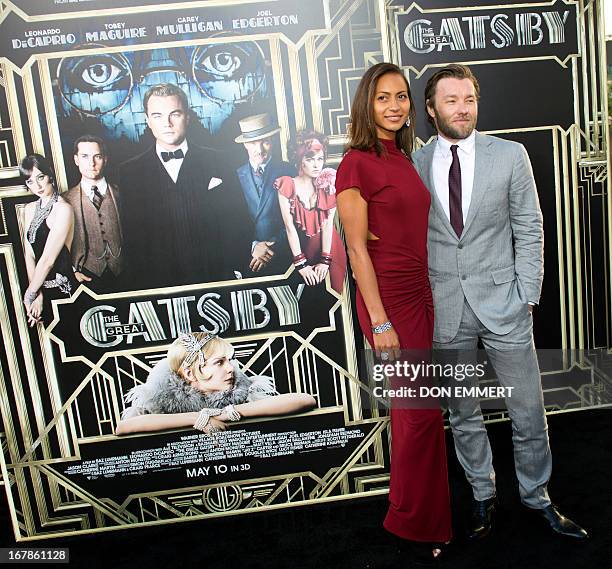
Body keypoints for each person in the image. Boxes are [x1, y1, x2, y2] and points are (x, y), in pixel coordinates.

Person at [412, 64, 588, 541]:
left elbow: (530, 226)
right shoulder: (413, 164)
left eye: (468, 98)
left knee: (528, 410)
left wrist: (527, 294)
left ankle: (537, 497)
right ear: (431, 110)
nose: (462, 108)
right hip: (446, 306)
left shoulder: (510, 156)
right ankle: (483, 497)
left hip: (504, 303)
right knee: (463, 413)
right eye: (451, 100)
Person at [335, 63, 451, 563]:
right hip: (388, 302)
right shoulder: (355, 163)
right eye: (383, 98)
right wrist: (380, 322)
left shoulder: (404, 159)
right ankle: (420, 524)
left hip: (419, 293)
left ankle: (409, 513)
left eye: (401, 97)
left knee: (415, 414)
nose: (395, 105)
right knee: (420, 413)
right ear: (368, 104)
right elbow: (357, 249)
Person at [119, 83, 252, 290]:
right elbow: (134, 238)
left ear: (187, 117)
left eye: (175, 114)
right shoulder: (130, 173)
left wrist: (234, 269)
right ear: (148, 121)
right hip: (160, 283)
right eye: (158, 116)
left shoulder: (219, 160)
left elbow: (237, 220)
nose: (167, 123)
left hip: (216, 276)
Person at [115, 332, 316, 435]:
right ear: (189, 373)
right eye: (219, 362)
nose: (231, 368)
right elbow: (124, 428)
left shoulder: (241, 390)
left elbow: (305, 400)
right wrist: (198, 418)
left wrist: (226, 412)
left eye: (229, 360)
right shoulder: (160, 401)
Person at [275, 131, 347, 294]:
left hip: (330, 249)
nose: (316, 165)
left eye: (320, 159)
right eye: (310, 159)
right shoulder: (286, 185)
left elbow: (328, 225)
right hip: (302, 250)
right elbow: (289, 228)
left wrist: (325, 260)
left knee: (336, 298)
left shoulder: (328, 185)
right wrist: (300, 264)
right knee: (312, 301)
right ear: (299, 160)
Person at [20, 154, 78, 326]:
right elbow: (29, 254)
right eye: (30, 181)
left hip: (62, 291)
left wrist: (29, 295)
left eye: (40, 177)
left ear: (49, 175)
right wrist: (37, 294)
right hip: (39, 291)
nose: (37, 186)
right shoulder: (28, 209)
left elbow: (48, 260)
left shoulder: (63, 209)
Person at [235, 113, 295, 275]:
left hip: (285, 258)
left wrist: (271, 246)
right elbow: (231, 224)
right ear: (245, 144)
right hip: (249, 261)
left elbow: (300, 218)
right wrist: (254, 246)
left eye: (265, 142)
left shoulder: (289, 171)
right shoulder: (234, 177)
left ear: (273, 141)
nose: (259, 150)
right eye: (253, 143)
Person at [64, 135, 123, 293]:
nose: (91, 163)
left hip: (126, 274)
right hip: (87, 278)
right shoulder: (65, 201)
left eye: (97, 156)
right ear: (76, 159)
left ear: (105, 159)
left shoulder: (122, 193)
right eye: (84, 156)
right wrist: (72, 271)